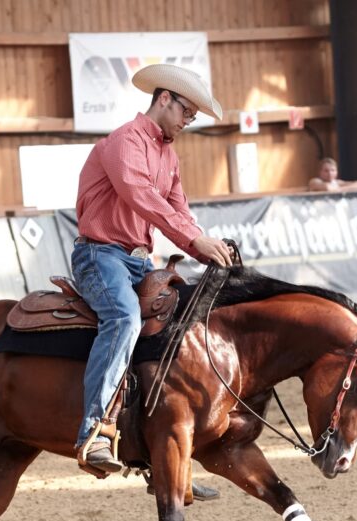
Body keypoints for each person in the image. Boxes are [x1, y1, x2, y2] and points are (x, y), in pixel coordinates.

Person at [71, 63, 233, 476]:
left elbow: (179, 209)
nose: (187, 121)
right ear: (164, 99)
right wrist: (194, 242)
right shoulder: (124, 142)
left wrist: (203, 246)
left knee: (177, 330)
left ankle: (152, 443)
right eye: (186, 112)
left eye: (193, 117)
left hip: (138, 260)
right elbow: (142, 196)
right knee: (124, 319)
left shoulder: (169, 156)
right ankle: (94, 431)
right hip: (100, 255)